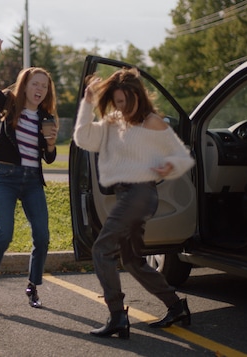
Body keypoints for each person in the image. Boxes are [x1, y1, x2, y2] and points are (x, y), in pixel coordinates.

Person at [72, 68, 195, 339]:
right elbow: (82, 138)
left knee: (101, 250)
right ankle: (176, 307)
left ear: (138, 96)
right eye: (117, 102)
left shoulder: (152, 122)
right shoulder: (114, 121)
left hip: (141, 194)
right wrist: (88, 103)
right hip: (125, 195)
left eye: (126, 101)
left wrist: (169, 165)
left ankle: (117, 315)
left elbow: (182, 157)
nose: (122, 107)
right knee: (131, 260)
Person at [0, 39, 59, 310]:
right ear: (25, 85)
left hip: (33, 182)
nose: (40, 89)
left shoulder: (47, 117)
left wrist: (51, 144)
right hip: (6, 178)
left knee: (42, 236)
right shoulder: (8, 104)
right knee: (4, 234)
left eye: (44, 86)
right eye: (35, 84)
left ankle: (33, 286)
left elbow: (49, 158)